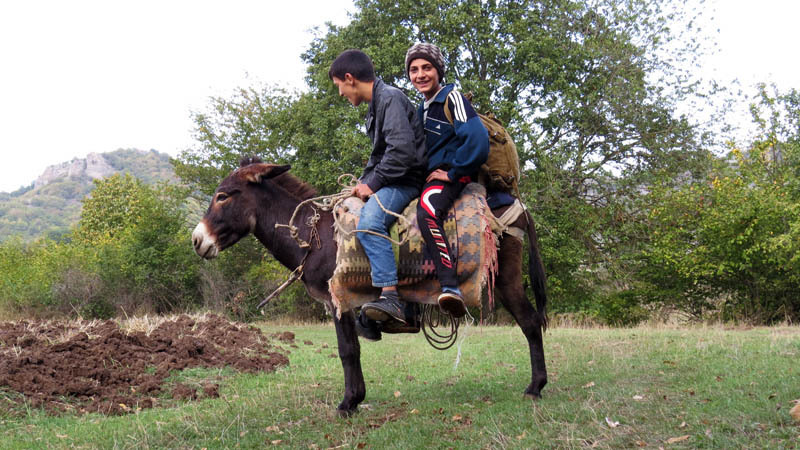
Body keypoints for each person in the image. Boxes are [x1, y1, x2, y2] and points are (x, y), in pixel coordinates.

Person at [329, 49, 427, 329]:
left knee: (370, 224)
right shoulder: (377, 105)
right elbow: (378, 157)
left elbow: (401, 152)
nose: (340, 93)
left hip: (405, 180)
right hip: (393, 178)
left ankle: (391, 297)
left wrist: (372, 184)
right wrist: (361, 183)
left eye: (339, 85)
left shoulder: (390, 99)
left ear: (350, 78)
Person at [405, 43, 489, 318]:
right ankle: (406, 301)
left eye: (426, 67)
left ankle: (450, 286)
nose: (420, 75)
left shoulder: (453, 98)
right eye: (414, 70)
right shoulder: (422, 108)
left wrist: (453, 172)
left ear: (438, 70)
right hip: (428, 176)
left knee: (427, 212)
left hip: (452, 175)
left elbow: (478, 139)